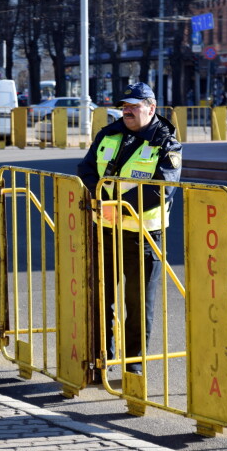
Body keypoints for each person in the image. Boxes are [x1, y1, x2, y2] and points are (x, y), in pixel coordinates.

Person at [76, 82, 182, 379]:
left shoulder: (166, 143)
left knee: (137, 304)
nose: (127, 111)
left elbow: (162, 188)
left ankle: (134, 365)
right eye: (125, 106)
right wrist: (100, 200)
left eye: (134, 106)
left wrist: (120, 207)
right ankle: (102, 358)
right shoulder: (109, 134)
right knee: (101, 296)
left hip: (143, 237)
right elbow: (86, 169)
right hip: (105, 231)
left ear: (151, 108)